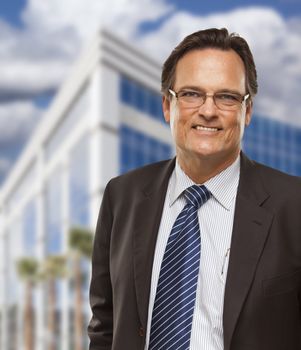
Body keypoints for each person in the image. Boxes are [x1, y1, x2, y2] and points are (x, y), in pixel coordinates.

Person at [88, 28, 301, 350]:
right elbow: (104, 325)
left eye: (227, 97)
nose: (208, 111)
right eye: (191, 94)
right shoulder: (122, 196)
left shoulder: (294, 205)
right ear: (167, 106)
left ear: (247, 111)